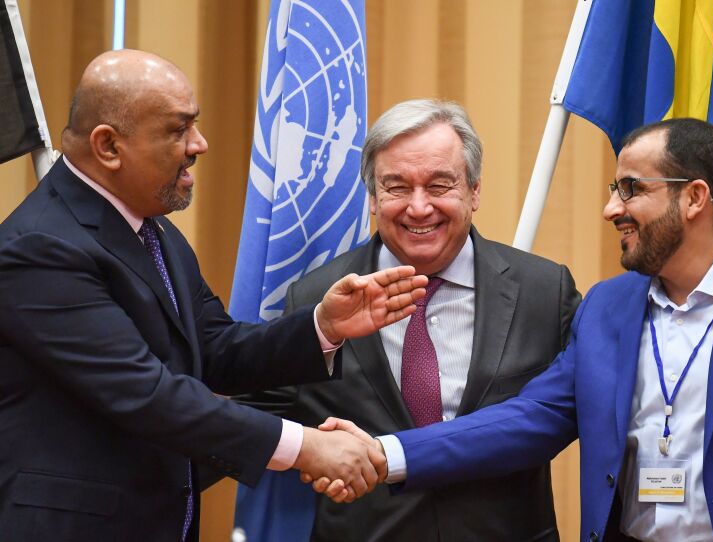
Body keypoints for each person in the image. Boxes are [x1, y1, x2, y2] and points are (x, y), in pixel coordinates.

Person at [318, 118, 713, 540]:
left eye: (631, 189)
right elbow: (532, 417)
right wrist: (385, 453)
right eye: (614, 190)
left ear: (694, 198)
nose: (611, 209)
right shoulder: (607, 307)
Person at [0, 49, 428, 542]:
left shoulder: (151, 229)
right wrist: (305, 447)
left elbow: (214, 350)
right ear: (109, 146)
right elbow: (146, 393)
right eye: (178, 129)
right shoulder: (41, 248)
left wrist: (322, 328)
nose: (199, 144)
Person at [237, 99, 581, 541]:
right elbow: (249, 420)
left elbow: (574, 411)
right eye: (397, 187)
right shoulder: (316, 298)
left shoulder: (543, 292)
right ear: (373, 197)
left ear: (474, 191)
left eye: (439, 185)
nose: (419, 208)